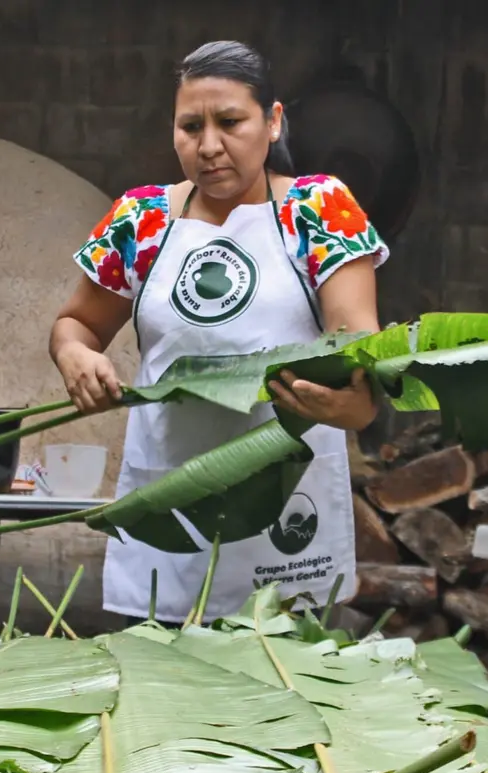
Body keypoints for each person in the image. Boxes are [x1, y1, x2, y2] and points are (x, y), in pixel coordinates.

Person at [50, 40, 389, 625]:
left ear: (273, 120)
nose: (208, 147)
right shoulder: (142, 218)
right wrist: (73, 354)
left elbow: (358, 352)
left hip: (285, 505)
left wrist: (354, 406)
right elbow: (74, 324)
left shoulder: (319, 208)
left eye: (230, 122)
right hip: (172, 503)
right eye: (190, 126)